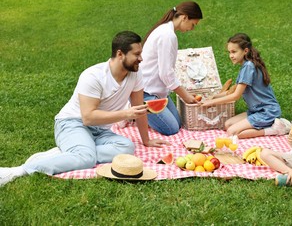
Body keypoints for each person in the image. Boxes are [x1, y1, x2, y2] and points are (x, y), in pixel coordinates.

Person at [0, 31, 170, 187]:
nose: (141, 59)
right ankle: (20, 170)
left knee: (127, 147)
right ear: (120, 54)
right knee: (87, 159)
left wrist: (146, 141)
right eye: (137, 54)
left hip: (99, 130)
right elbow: (88, 117)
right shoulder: (93, 76)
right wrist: (125, 113)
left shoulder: (135, 74)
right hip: (72, 123)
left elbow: (139, 109)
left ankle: (73, 152)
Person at [201, 33, 289, 139]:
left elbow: (235, 96)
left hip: (267, 112)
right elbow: (233, 92)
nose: (231, 55)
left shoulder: (248, 66)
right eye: (229, 52)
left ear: (245, 51)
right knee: (227, 125)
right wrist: (214, 97)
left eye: (234, 52)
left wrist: (211, 102)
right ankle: (265, 124)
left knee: (232, 132)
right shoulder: (247, 65)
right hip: (256, 111)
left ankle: (273, 129)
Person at [140, 1, 203, 136]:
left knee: (177, 123)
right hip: (146, 92)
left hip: (158, 93)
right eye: (193, 24)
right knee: (171, 129)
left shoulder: (166, 30)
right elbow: (166, 74)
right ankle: (137, 110)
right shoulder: (167, 35)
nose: (192, 29)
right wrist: (185, 96)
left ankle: (144, 113)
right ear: (184, 17)